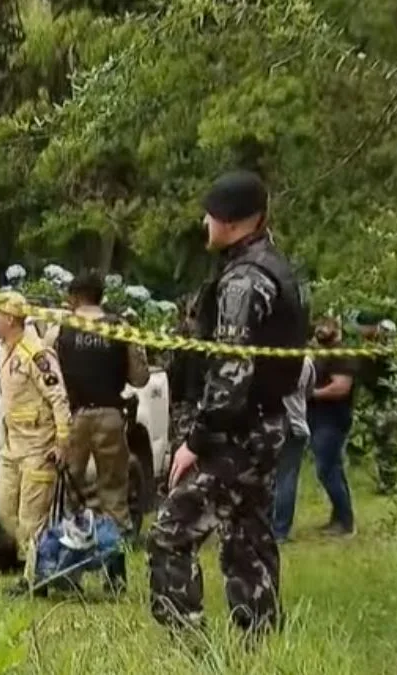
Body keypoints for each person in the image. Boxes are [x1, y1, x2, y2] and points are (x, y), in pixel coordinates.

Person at [148, 170, 307, 634]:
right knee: (248, 537)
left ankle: (187, 646)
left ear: (233, 221)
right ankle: (259, 646)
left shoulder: (244, 281)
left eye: (210, 214)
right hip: (264, 425)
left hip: (237, 433)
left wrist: (196, 442)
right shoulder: (276, 266)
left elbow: (232, 374)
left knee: (170, 534)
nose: (204, 222)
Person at [46, 273, 150, 590]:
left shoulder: (59, 329)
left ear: (74, 297)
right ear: (100, 296)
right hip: (110, 416)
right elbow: (140, 378)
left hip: (73, 418)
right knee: (114, 496)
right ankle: (114, 576)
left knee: (69, 496)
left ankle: (68, 575)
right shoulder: (119, 328)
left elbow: (49, 377)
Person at [0, 290, 73, 596]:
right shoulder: (4, 350)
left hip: (38, 448)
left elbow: (58, 399)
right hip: (12, 447)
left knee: (32, 519)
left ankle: (35, 580)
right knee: (3, 510)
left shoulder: (36, 353)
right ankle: (40, 562)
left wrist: (62, 443)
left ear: (10, 318)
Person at [308, 317, 358, 535]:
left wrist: (311, 394)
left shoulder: (341, 354)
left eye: (326, 325)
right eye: (319, 325)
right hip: (320, 418)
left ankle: (345, 521)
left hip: (333, 419)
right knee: (333, 468)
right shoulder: (322, 353)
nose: (321, 329)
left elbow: (341, 387)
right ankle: (340, 517)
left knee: (326, 470)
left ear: (336, 330)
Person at [271, 356, 315, 543]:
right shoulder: (306, 361)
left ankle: (267, 527)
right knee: (287, 478)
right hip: (297, 423)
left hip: (272, 424)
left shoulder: (268, 356)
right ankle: (280, 530)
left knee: (269, 478)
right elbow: (309, 391)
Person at [355, 312, 397, 494]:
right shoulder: (368, 345)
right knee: (381, 440)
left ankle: (391, 482)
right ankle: (386, 481)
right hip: (378, 397)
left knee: (390, 441)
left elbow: (389, 354)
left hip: (390, 398)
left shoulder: (385, 339)